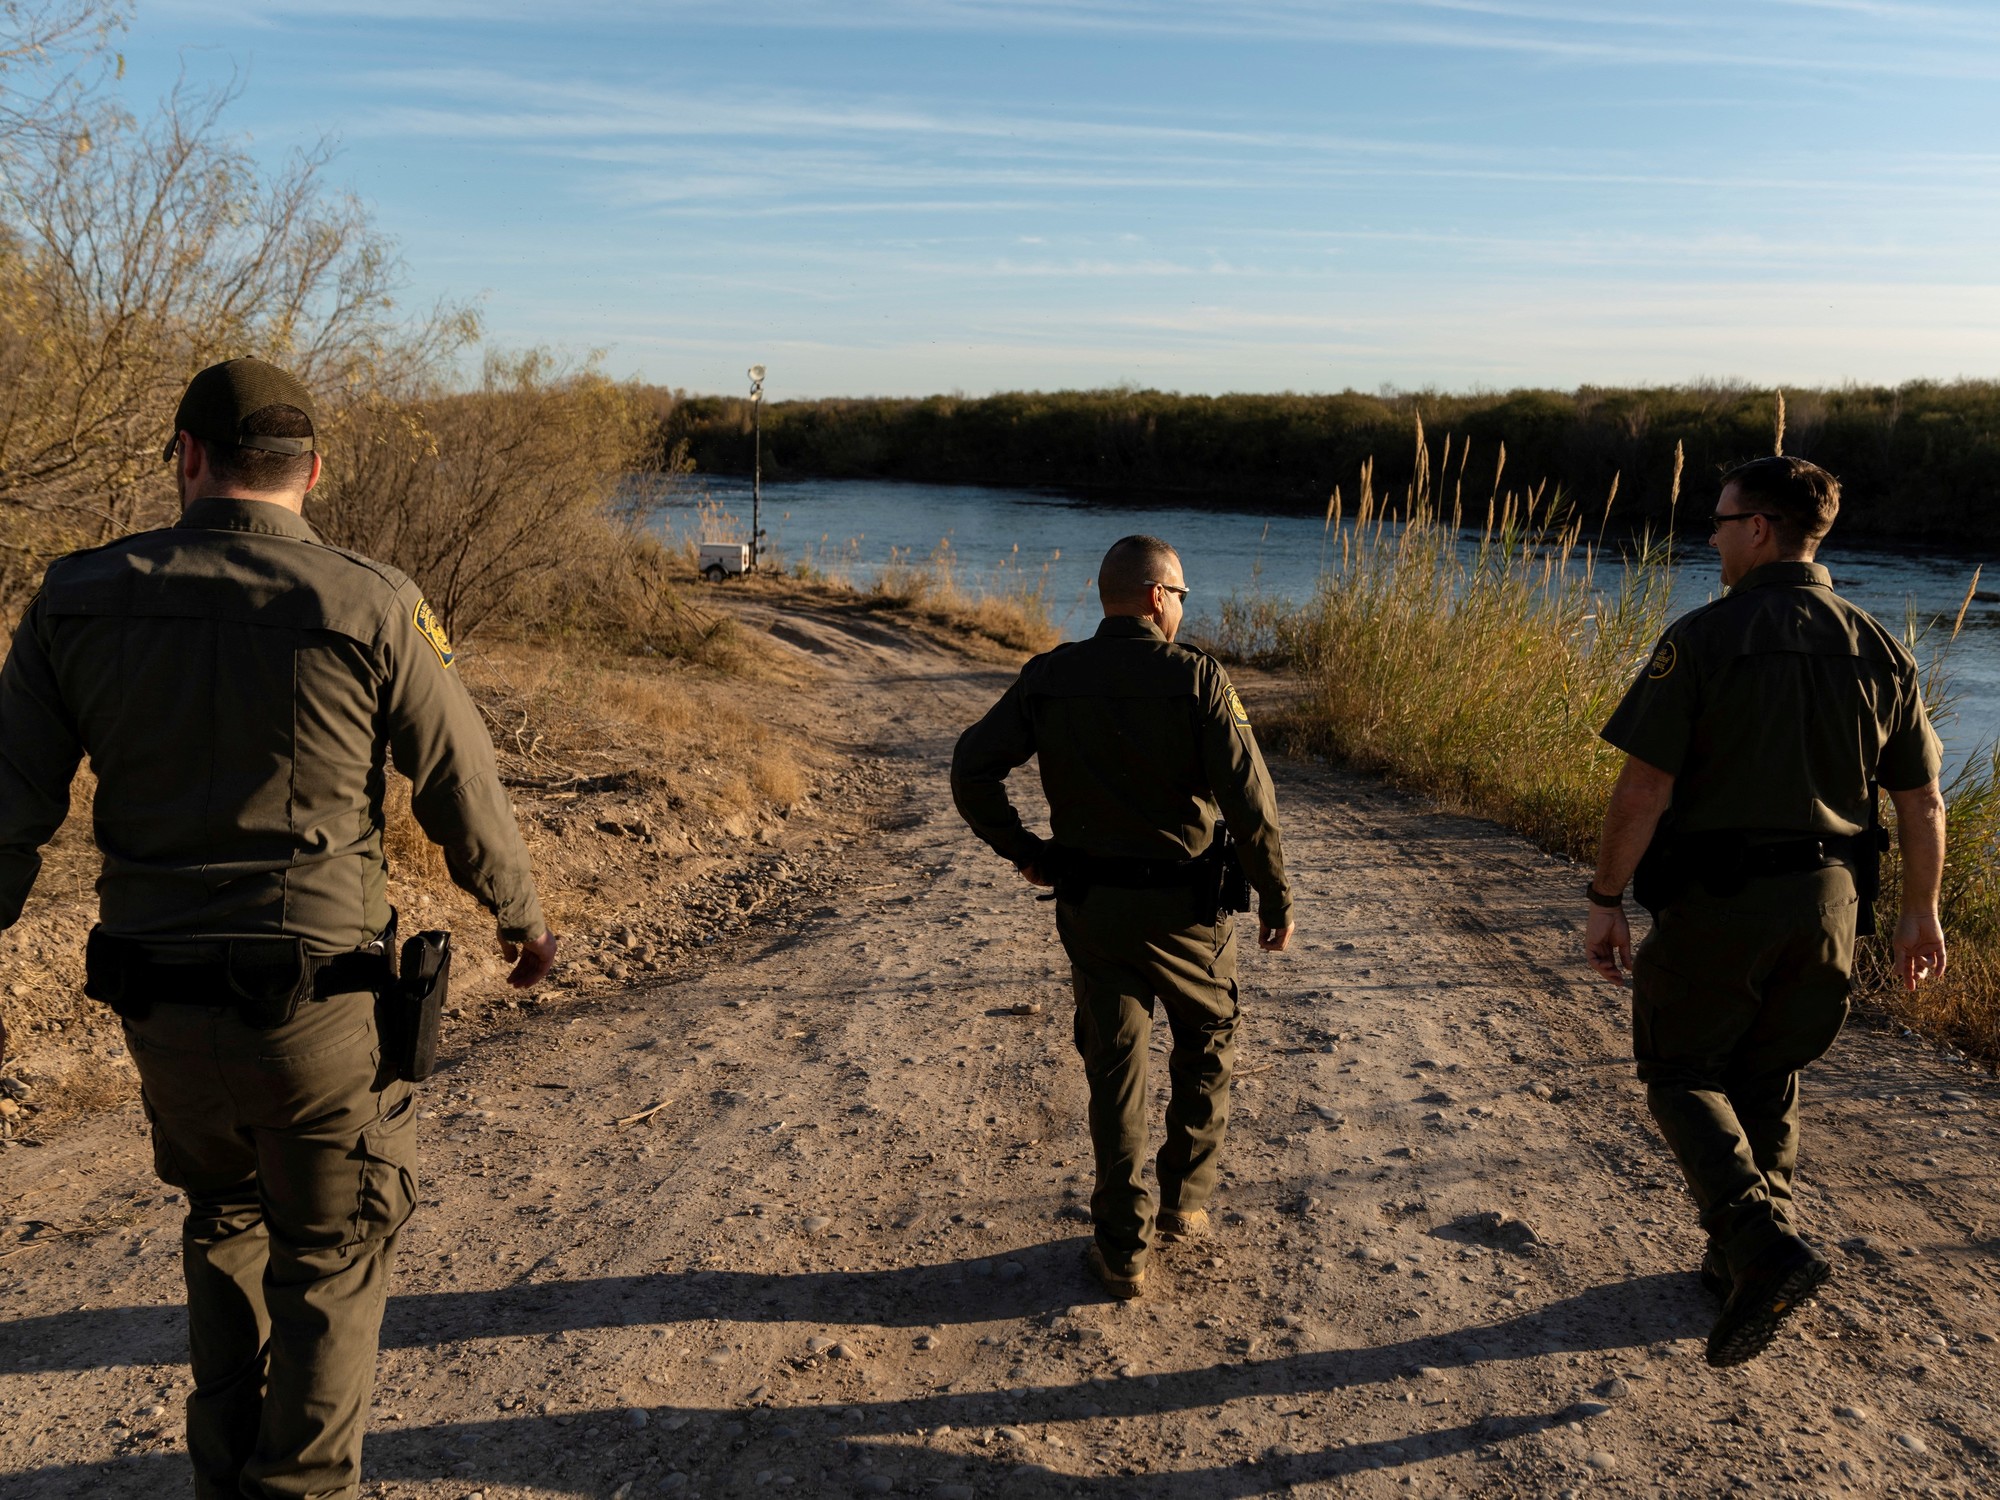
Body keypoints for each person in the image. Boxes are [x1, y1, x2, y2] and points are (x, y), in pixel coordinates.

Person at [0, 357, 559, 1498]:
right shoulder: (370, 599)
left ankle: (224, 1479)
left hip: (156, 1007)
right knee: (335, 1250)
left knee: (222, 1218)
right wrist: (519, 910)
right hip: (315, 1008)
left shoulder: (76, 593)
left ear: (188, 458)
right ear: (314, 471)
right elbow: (458, 776)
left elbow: (9, 805)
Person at [1584, 455, 1946, 1368]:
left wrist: (1605, 897)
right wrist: (1921, 914)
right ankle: (1736, 1266)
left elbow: (1643, 788)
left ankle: (1758, 1244)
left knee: (1680, 1068)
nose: (1709, 535)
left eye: (1719, 520)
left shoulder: (1705, 639)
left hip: (1720, 897)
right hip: (1832, 903)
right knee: (1771, 1065)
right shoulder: (1881, 646)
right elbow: (1922, 802)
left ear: (1759, 529)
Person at [951, 534, 1294, 1299]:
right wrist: (1276, 896)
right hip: (1189, 917)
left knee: (1114, 1070)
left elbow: (971, 768)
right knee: (1208, 1039)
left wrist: (1025, 850)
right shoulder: (1199, 678)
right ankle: (1185, 1202)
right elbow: (1252, 802)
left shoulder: (1048, 677)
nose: (1180, 609)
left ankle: (1121, 1249)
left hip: (1094, 911)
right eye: (1180, 596)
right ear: (1154, 597)